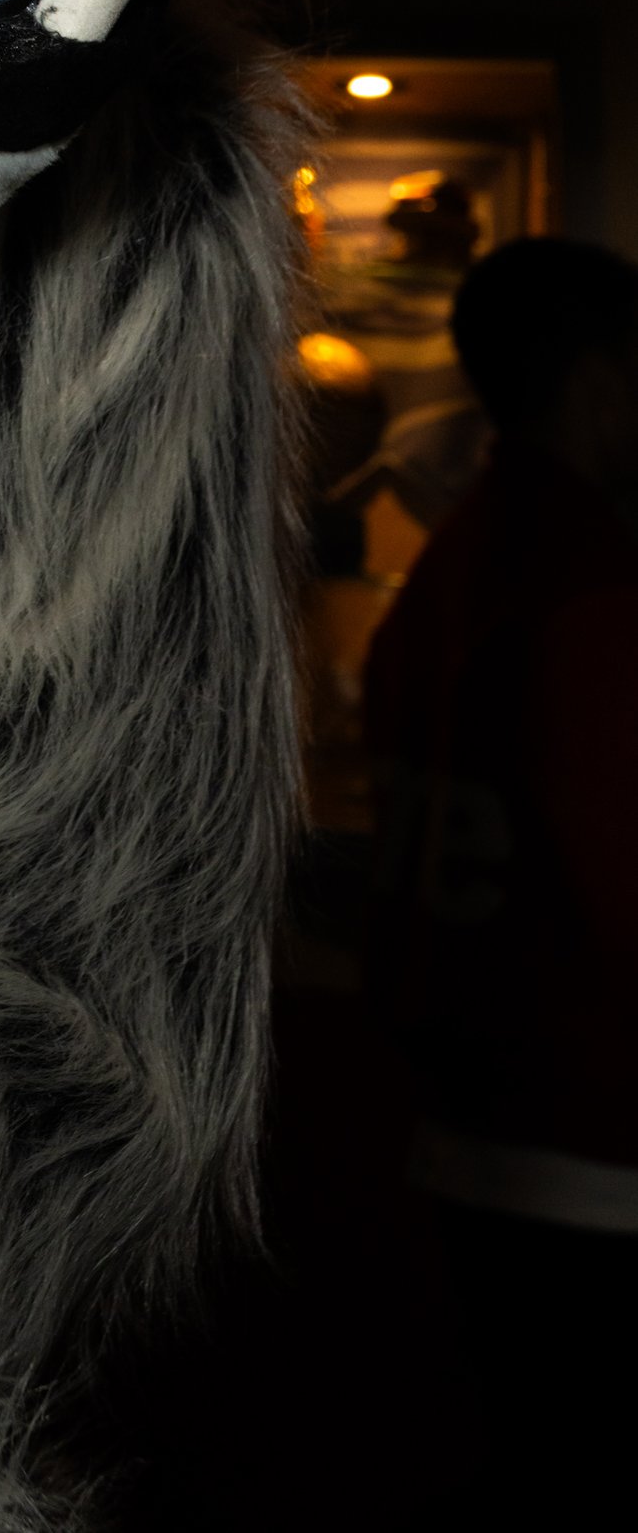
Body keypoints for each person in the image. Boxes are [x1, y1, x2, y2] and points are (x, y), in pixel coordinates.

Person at [364, 235, 638, 1503]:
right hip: (593, 1149)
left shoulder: (448, 565)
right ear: (598, 385)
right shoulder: (594, 584)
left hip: (469, 1127)